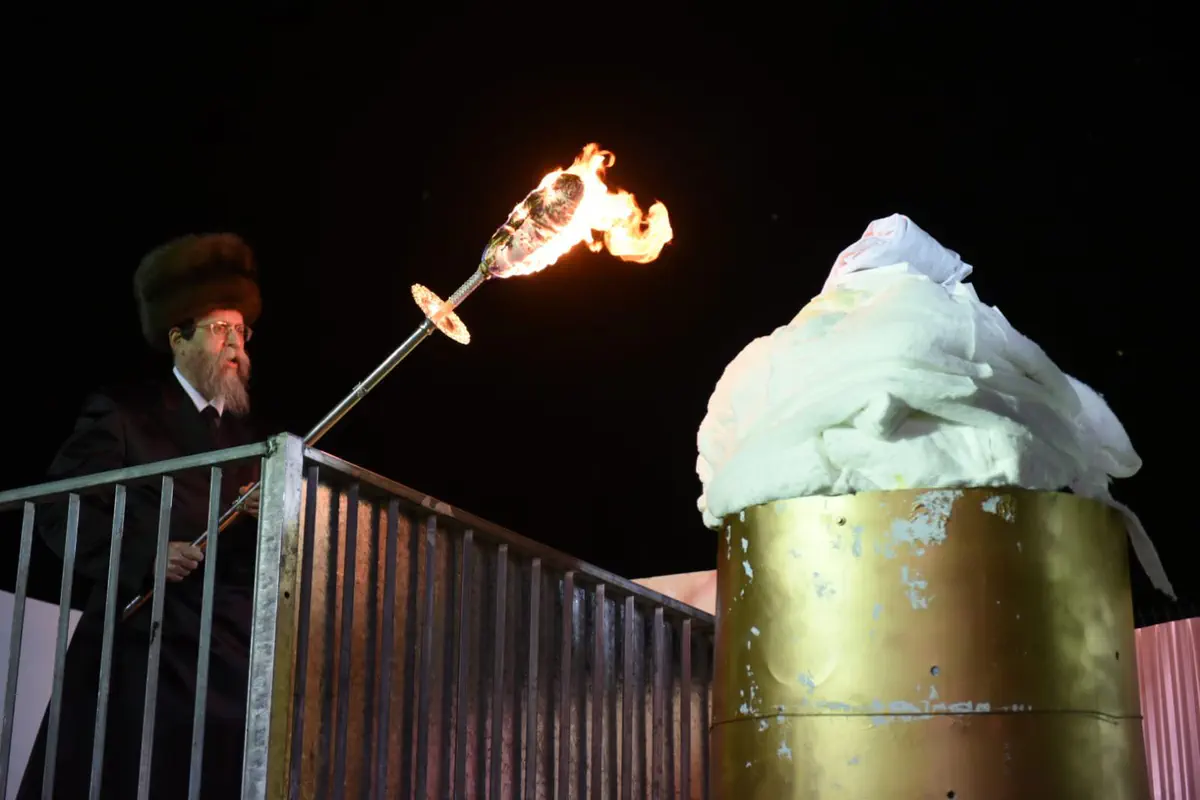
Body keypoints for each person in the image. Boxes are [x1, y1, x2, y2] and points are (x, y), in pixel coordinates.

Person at [19, 233, 266, 799]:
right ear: (179, 339)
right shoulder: (126, 413)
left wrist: (265, 513)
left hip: (226, 662)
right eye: (220, 329)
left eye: (242, 332)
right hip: (143, 646)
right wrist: (147, 558)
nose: (236, 344)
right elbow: (61, 506)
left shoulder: (254, 443)